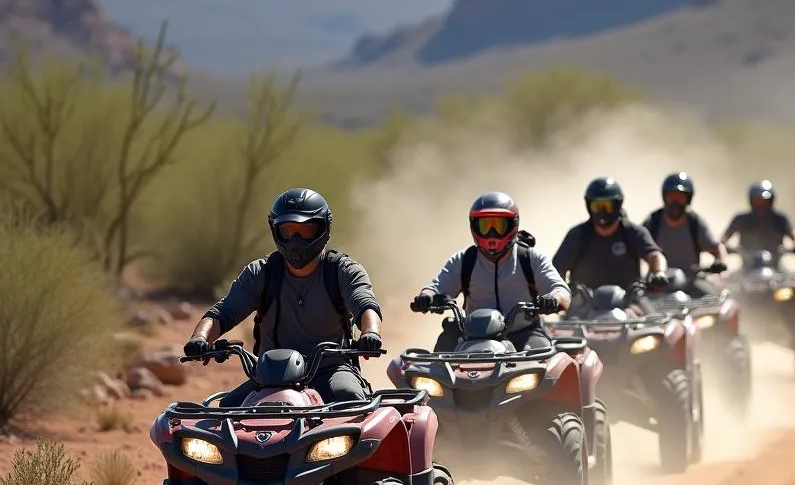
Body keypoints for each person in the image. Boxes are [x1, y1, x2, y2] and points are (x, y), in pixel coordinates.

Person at [183, 187, 384, 406]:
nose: (296, 241)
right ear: (275, 230)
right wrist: (200, 338)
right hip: (270, 378)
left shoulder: (343, 271)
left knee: (351, 401)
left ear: (323, 229)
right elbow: (222, 313)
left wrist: (370, 333)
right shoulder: (260, 273)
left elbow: (365, 304)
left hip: (331, 371)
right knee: (228, 410)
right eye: (288, 230)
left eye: (306, 230)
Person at [412, 191, 571, 352]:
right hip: (471, 336)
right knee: (441, 354)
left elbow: (561, 290)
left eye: (499, 225)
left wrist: (553, 299)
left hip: (523, 333)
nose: (491, 233)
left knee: (544, 358)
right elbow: (436, 288)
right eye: (485, 226)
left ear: (513, 225)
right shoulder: (463, 259)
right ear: (474, 226)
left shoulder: (530, 258)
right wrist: (426, 297)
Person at [553, 177, 668, 293]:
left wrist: (659, 273)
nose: (602, 212)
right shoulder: (577, 235)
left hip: (628, 304)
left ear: (617, 206)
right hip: (584, 305)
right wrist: (560, 291)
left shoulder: (633, 232)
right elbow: (556, 270)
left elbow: (655, 256)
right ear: (589, 206)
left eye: (607, 206)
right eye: (597, 206)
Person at [642, 172, 728, 297]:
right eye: (672, 197)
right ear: (664, 197)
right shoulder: (652, 222)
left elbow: (717, 248)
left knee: (716, 300)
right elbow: (636, 249)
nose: (675, 202)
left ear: (688, 199)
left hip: (691, 282)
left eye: (680, 197)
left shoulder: (695, 223)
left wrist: (721, 265)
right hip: (658, 284)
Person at [720, 179, 795, 259]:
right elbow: (723, 240)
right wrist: (726, 247)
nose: (761, 206)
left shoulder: (781, 220)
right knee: (723, 274)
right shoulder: (741, 220)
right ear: (751, 201)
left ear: (771, 201)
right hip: (746, 268)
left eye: (765, 202)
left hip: (777, 268)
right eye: (758, 202)